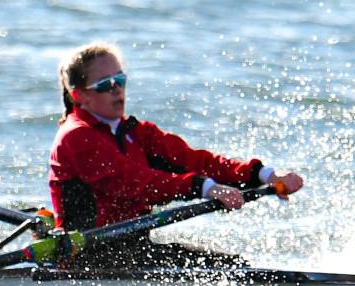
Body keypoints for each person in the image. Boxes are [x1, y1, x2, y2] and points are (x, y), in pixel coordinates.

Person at [47, 42, 304, 269]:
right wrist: (202, 187)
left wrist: (264, 174)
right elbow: (134, 184)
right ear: (79, 95)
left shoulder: (137, 132)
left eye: (121, 81)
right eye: (106, 85)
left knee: (232, 267)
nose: (117, 90)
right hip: (88, 258)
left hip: (133, 248)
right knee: (227, 271)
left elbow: (195, 161)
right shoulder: (75, 137)